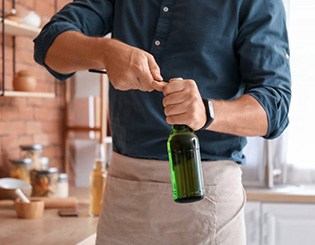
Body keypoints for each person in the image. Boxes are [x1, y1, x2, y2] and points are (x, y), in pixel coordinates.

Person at [34, 0, 291, 244]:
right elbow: (48, 45)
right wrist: (105, 51)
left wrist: (206, 111)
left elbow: (274, 107)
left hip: (207, 199)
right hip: (124, 194)